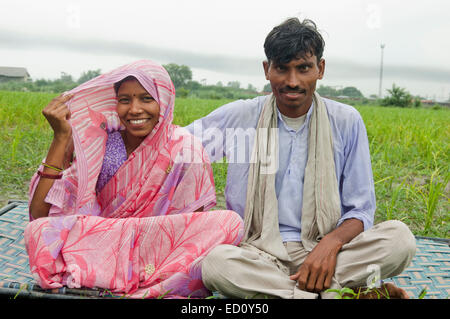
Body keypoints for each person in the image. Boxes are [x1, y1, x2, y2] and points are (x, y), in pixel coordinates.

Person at [186, 18, 416, 299]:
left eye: (303, 68)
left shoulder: (345, 121)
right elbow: (177, 147)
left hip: (331, 253)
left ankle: (293, 292)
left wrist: (329, 244)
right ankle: (335, 293)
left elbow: (361, 210)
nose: (292, 81)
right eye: (282, 69)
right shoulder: (241, 116)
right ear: (266, 70)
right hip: (257, 253)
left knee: (400, 239)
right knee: (217, 264)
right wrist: (119, 126)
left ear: (320, 69)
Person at [25, 60, 243, 298]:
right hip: (105, 243)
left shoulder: (185, 147)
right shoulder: (103, 142)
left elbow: (191, 225)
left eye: (146, 99)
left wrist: (144, 236)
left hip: (158, 249)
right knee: (38, 231)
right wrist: (60, 137)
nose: (134, 109)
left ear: (164, 101)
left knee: (230, 223)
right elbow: (39, 214)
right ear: (115, 102)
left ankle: (131, 277)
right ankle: (133, 277)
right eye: (125, 100)